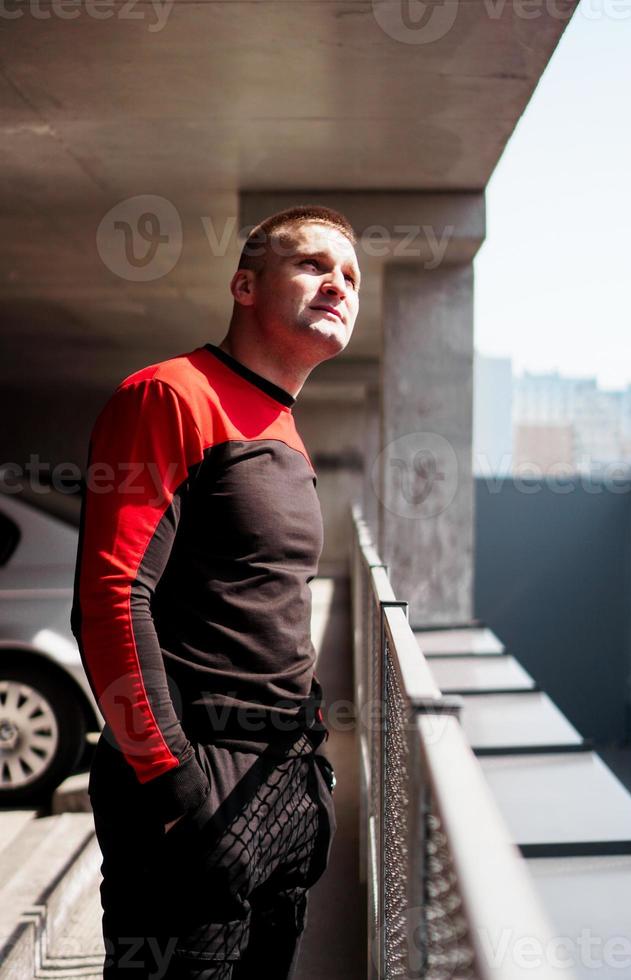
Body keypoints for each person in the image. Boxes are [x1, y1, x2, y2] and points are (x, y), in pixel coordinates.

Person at [70, 204, 361, 979]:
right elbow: (110, 598)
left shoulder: (285, 429)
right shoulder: (169, 395)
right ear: (244, 284)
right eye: (312, 264)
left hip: (283, 788)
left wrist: (308, 793)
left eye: (351, 276)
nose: (337, 283)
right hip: (195, 783)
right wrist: (170, 785)